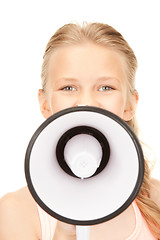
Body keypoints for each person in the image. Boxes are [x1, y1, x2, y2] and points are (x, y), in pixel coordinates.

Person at [0, 22, 160, 240]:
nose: (86, 103)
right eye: (68, 88)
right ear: (45, 103)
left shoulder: (156, 201)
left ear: (130, 105)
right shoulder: (15, 213)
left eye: (106, 88)